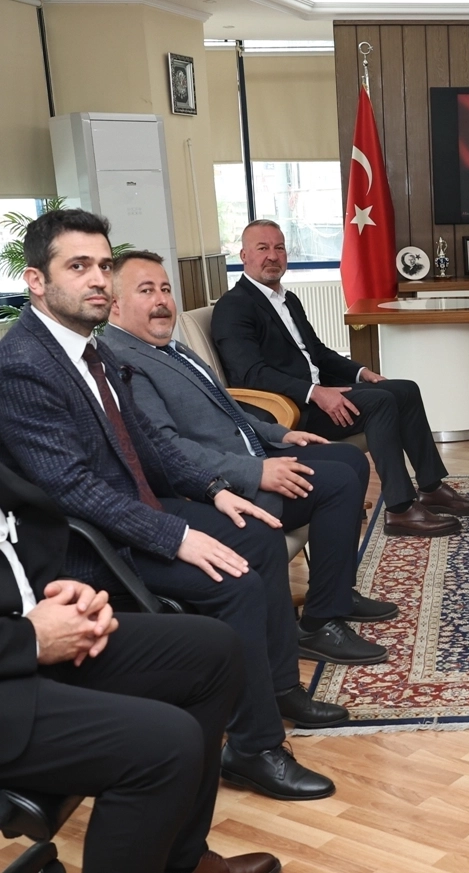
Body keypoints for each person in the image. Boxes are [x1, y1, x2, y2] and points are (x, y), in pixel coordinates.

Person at [0, 209, 339, 802]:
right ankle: (254, 747)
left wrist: (215, 490)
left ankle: (278, 687)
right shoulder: (23, 364)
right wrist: (177, 536)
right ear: (36, 281)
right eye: (77, 266)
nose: (98, 279)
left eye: (102, 265)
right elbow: (71, 488)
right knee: (234, 578)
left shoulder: (91, 349)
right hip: (85, 544)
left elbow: (150, 446)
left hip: (137, 512)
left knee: (258, 536)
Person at [102, 249, 395, 665]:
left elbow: (229, 408)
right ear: (114, 305)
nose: (162, 300)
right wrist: (255, 471)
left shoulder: (171, 348)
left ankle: (337, 592)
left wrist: (282, 433)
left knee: (347, 458)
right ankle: (319, 623)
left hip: (248, 451)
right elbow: (168, 450)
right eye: (146, 291)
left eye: (165, 289)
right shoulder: (124, 362)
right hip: (219, 486)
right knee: (338, 482)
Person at [0, 464, 280, 873]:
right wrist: (34, 640)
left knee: (213, 651)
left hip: (24, 634)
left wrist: (63, 590)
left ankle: (180, 861)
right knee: (165, 744)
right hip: (14, 659)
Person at [211, 220, 469, 537]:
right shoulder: (234, 307)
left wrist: (360, 372)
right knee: (380, 402)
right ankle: (400, 510)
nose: (272, 256)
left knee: (405, 390)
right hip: (289, 410)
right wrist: (316, 393)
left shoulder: (288, 300)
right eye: (262, 248)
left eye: (279, 248)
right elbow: (251, 374)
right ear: (244, 255)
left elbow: (317, 352)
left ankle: (431, 488)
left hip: (314, 394)